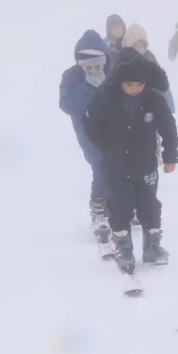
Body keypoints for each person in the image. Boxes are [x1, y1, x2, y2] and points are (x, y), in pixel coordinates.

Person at [82, 55, 178, 273]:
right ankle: (123, 247)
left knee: (149, 204)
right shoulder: (105, 98)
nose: (135, 89)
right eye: (129, 84)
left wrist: (171, 155)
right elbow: (89, 123)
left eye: (139, 84)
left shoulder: (154, 100)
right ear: (120, 82)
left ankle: (152, 246)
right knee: (120, 204)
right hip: (115, 164)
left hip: (146, 163)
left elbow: (168, 127)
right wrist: (106, 146)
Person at [59, 30, 114, 246]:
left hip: (115, 127)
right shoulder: (71, 76)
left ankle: (124, 204)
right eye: (85, 60)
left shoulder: (115, 71)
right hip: (87, 130)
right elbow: (68, 106)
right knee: (100, 164)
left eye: (97, 59)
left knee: (123, 164)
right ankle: (99, 209)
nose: (92, 65)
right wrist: (89, 86)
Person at [122, 24, 176, 114]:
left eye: (142, 45)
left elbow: (162, 84)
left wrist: (169, 109)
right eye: (136, 45)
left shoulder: (149, 58)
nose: (139, 48)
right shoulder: (121, 60)